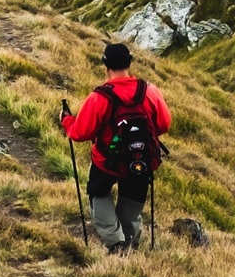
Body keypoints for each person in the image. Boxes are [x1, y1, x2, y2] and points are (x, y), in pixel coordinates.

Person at [61, 43, 169, 249]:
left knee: (99, 193)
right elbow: (164, 124)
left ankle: (115, 242)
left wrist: (67, 120)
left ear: (106, 65)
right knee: (132, 197)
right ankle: (130, 242)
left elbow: (79, 133)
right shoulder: (149, 91)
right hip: (141, 158)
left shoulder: (99, 98)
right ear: (129, 63)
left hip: (106, 162)